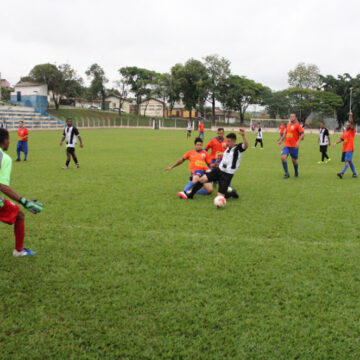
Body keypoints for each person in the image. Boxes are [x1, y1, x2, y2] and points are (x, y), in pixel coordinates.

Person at [0, 128, 43, 257]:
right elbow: (2, 186)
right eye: (9, 140)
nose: (9, 143)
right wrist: (23, 200)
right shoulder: (4, 158)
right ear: (5, 140)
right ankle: (18, 251)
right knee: (20, 215)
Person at [183, 129, 249, 201]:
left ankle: (232, 193)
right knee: (202, 179)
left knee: (220, 196)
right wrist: (219, 154)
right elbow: (227, 155)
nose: (226, 142)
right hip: (219, 170)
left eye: (228, 141)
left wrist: (243, 135)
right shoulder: (228, 148)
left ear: (233, 141)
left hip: (227, 175)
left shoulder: (238, 148)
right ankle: (191, 195)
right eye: (227, 140)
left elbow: (246, 145)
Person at [278, 113, 304, 179]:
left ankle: (296, 172)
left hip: (294, 146)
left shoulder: (298, 125)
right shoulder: (288, 125)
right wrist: (281, 140)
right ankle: (287, 173)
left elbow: (302, 134)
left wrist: (298, 142)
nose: (291, 118)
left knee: (294, 161)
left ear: (295, 117)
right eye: (291, 116)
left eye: (293, 116)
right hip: (286, 145)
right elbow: (285, 134)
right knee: (283, 158)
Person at [333, 111, 357, 179]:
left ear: (350, 126)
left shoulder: (352, 131)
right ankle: (355, 173)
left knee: (347, 161)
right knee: (349, 162)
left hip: (349, 148)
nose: (346, 126)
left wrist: (351, 116)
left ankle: (342, 173)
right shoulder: (345, 132)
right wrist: (335, 143)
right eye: (346, 125)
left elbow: (352, 123)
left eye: (347, 125)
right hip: (345, 149)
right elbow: (341, 139)